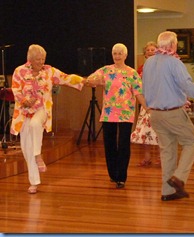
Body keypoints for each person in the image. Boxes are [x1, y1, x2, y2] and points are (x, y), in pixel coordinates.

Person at [142, 31, 194, 201]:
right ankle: (179, 178)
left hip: (155, 114)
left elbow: (144, 88)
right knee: (190, 142)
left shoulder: (149, 62)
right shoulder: (174, 63)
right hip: (173, 113)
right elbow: (189, 87)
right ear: (173, 45)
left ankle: (167, 192)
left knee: (167, 151)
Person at [10, 44, 86, 194]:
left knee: (35, 124)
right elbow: (15, 89)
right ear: (30, 59)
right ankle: (34, 182)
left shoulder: (49, 71)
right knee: (26, 147)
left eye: (43, 59)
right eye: (38, 59)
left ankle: (38, 155)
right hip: (23, 112)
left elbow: (66, 78)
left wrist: (84, 80)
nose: (41, 62)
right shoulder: (19, 71)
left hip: (42, 109)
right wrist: (24, 99)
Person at [86, 43, 147, 189]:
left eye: (120, 53)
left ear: (126, 55)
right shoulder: (106, 70)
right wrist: (92, 81)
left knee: (124, 144)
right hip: (109, 114)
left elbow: (138, 93)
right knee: (110, 144)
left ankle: (122, 177)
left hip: (126, 113)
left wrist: (147, 108)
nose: (117, 56)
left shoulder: (132, 73)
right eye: (115, 53)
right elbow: (90, 80)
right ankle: (113, 174)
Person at [131, 41, 160, 166]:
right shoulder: (141, 68)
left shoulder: (161, 67)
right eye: (148, 50)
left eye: (153, 50)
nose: (150, 52)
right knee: (145, 131)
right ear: (145, 53)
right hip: (146, 102)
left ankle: (161, 157)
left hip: (159, 102)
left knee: (159, 131)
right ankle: (147, 157)